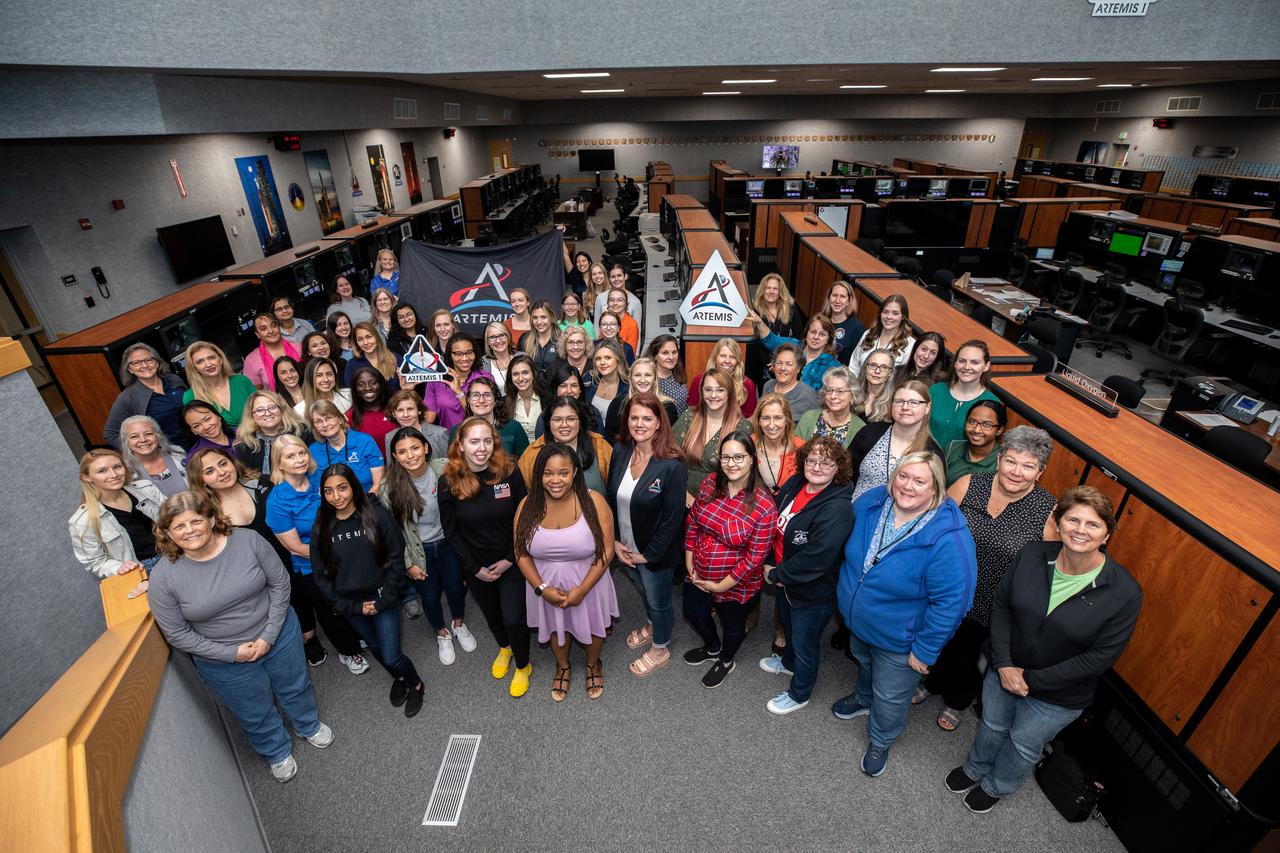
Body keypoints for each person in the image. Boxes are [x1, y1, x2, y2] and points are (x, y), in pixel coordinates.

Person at [948, 486, 1142, 814]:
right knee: (992, 725)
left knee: (1023, 744)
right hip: (1004, 670)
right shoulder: (1032, 553)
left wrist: (1031, 681)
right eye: (1073, 520)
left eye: (1093, 524)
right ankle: (975, 768)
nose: (1080, 530)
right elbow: (1001, 607)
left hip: (1059, 695)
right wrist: (1006, 666)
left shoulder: (1125, 593)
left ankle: (998, 785)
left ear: (1108, 533)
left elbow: (1099, 658)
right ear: (1059, 522)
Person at [149, 490, 333, 783]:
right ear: (168, 532)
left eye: (195, 521)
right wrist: (232, 654)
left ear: (211, 518)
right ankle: (276, 750)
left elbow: (280, 585)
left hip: (277, 633)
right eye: (179, 526)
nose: (189, 531)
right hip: (221, 659)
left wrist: (268, 636)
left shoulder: (248, 541)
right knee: (253, 710)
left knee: (296, 685)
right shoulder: (163, 577)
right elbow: (177, 633)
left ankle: (307, 724)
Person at [832, 452, 977, 778]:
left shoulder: (950, 539)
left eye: (920, 481)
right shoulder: (872, 501)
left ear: (936, 488)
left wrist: (924, 651)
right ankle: (862, 697)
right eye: (903, 476)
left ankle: (881, 739)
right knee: (864, 663)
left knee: (891, 695)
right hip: (859, 622)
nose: (908, 486)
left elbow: (952, 604)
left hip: (901, 641)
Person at [922, 426, 1057, 732]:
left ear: (1040, 472)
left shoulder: (1048, 511)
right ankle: (931, 684)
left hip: (997, 603)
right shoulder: (970, 484)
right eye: (1011, 461)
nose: (1017, 472)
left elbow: (1047, 570)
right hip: (951, 588)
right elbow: (935, 526)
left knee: (972, 655)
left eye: (1028, 466)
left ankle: (958, 700)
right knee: (942, 639)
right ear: (998, 460)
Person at [311, 464, 425, 717]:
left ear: (353, 486)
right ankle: (402, 680)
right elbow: (321, 577)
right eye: (328, 491)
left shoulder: (376, 515)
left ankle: (415, 683)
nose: (336, 496)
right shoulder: (321, 526)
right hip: (351, 604)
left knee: (392, 655)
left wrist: (385, 599)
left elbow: (396, 557)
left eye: (342, 488)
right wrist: (351, 607)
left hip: (382, 597)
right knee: (375, 647)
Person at [515, 443, 620, 701]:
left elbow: (606, 551)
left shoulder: (594, 501)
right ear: (539, 475)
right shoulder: (527, 505)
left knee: (594, 628)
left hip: (590, 582)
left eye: (563, 473)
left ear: (575, 472)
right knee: (554, 629)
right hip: (545, 586)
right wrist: (541, 589)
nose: (555, 480)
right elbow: (521, 553)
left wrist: (582, 590)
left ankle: (593, 663)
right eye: (548, 473)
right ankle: (563, 667)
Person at [759, 436, 855, 713]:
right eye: (811, 460)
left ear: (839, 467)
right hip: (785, 580)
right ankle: (788, 664)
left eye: (825, 462)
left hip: (812, 591)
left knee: (805, 643)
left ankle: (800, 693)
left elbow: (817, 558)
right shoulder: (796, 483)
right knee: (789, 628)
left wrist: (777, 574)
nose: (816, 466)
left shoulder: (838, 508)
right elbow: (774, 520)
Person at [439, 417, 533, 697]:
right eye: (474, 441)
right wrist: (474, 568)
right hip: (476, 565)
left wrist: (510, 559)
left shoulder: (509, 472)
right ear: (461, 445)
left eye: (487, 441)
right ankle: (505, 647)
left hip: (512, 560)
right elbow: (451, 532)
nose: (482, 448)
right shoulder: (448, 482)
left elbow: (525, 518)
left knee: (514, 617)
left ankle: (523, 664)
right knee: (493, 615)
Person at [264, 434, 369, 673]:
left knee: (352, 600)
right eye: (290, 456)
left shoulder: (319, 480)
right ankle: (348, 652)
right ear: (279, 463)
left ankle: (357, 637)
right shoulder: (277, 501)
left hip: (342, 553)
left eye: (302, 452)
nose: (299, 459)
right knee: (330, 611)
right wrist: (334, 557)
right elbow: (294, 546)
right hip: (313, 566)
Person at [683, 432, 778, 689]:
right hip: (698, 570)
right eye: (726, 457)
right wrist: (689, 560)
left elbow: (754, 558)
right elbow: (693, 521)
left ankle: (726, 659)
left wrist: (720, 586)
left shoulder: (764, 506)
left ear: (751, 459)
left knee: (732, 625)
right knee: (692, 611)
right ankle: (713, 647)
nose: (731, 463)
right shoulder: (710, 483)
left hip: (736, 583)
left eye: (739, 457)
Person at [606, 393, 687, 677]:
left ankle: (660, 646)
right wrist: (614, 541)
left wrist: (648, 554)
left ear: (658, 424)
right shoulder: (620, 451)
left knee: (659, 600)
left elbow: (673, 518)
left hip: (655, 554)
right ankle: (654, 625)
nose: (639, 424)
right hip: (625, 548)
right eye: (634, 417)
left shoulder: (672, 464)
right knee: (643, 593)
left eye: (647, 418)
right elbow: (610, 500)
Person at [381, 427, 477, 665]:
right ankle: (441, 633)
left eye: (415, 447)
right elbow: (392, 532)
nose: (410, 455)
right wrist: (407, 564)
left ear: (425, 448)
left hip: (448, 543)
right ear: (394, 456)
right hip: (418, 552)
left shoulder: (445, 468)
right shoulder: (389, 487)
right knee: (430, 595)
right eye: (402, 451)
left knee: (455, 587)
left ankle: (458, 623)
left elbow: (464, 506)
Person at [69, 449, 165, 593]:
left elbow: (176, 518)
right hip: (141, 573)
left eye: (117, 467)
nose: (114, 475)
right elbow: (95, 562)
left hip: (174, 556)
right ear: (87, 477)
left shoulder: (147, 489)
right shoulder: (83, 521)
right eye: (102, 471)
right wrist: (117, 567)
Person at [187, 446, 288, 574]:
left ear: (232, 462)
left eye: (223, 464)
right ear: (202, 481)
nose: (221, 472)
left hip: (294, 561)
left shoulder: (263, 484)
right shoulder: (208, 515)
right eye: (210, 471)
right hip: (256, 574)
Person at [850, 379, 943, 501]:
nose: (905, 407)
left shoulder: (932, 452)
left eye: (913, 402)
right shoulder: (870, 432)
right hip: (856, 512)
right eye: (899, 401)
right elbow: (845, 472)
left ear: (927, 407)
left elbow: (932, 498)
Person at [673, 368, 751, 503]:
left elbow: (743, 474)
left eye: (720, 390)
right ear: (701, 392)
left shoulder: (742, 427)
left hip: (718, 503)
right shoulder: (690, 416)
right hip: (680, 495)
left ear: (730, 393)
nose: (713, 395)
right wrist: (681, 492)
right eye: (708, 390)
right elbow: (670, 454)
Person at [103, 342, 188, 449]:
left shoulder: (174, 379)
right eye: (136, 363)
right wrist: (142, 450)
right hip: (169, 454)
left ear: (157, 362)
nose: (144, 365)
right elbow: (110, 434)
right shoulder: (127, 398)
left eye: (148, 360)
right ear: (130, 369)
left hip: (199, 441)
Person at [521, 396, 612, 492]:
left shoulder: (600, 446)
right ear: (549, 423)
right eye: (557, 420)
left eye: (571, 419)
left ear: (580, 421)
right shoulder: (533, 453)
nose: (564, 425)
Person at [929, 340, 1001, 450]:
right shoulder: (935, 390)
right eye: (962, 361)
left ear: (986, 366)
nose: (967, 367)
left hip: (961, 465)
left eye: (975, 362)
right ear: (955, 363)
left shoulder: (991, 403)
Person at [307, 400, 385, 494]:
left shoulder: (364, 441)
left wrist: (367, 503)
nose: (325, 424)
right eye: (318, 421)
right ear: (314, 427)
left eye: (329, 418)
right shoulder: (313, 450)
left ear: (340, 419)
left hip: (367, 500)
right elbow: (315, 487)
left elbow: (377, 484)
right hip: (331, 505)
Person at [753, 314, 841, 392]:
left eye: (822, 334)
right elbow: (770, 340)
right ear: (806, 334)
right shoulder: (793, 346)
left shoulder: (833, 365)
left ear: (828, 340)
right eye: (813, 332)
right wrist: (759, 322)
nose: (816, 337)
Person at [422, 333, 493, 430]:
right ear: (449, 355)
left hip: (479, 437)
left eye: (469, 352)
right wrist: (408, 391)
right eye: (458, 354)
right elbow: (429, 419)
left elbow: (482, 416)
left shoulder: (485, 378)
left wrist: (459, 393)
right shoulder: (437, 380)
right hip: (448, 441)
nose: (465, 358)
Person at [233, 390, 312, 477]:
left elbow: (314, 464)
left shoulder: (302, 431)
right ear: (251, 415)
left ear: (281, 409)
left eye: (272, 407)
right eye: (260, 410)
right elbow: (248, 477)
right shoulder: (245, 445)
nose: (267, 413)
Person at [603, 356, 678, 443]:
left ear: (654, 379)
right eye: (637, 375)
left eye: (648, 375)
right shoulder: (619, 403)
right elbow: (610, 438)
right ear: (631, 378)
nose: (642, 380)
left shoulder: (667, 407)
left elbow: (669, 440)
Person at [748, 273, 807, 384]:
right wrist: (771, 362)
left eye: (775, 289)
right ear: (762, 290)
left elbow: (798, 338)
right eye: (768, 288)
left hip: (786, 364)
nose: (771, 291)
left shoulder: (791, 310)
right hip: (761, 364)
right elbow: (755, 343)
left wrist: (780, 362)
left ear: (780, 292)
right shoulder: (754, 311)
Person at [181, 341, 256, 427]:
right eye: (200, 362)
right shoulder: (190, 396)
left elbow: (260, 410)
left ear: (221, 360)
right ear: (194, 368)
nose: (208, 364)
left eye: (212, 358)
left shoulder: (241, 381)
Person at [457, 375, 529, 458]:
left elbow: (526, 464)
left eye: (487, 395)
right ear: (468, 400)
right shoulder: (458, 431)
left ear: (495, 401)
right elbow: (454, 465)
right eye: (476, 395)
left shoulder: (514, 428)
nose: (481, 400)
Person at [119, 414, 188, 497]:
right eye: (134, 436)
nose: (143, 440)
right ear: (127, 442)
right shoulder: (125, 472)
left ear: (158, 436)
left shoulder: (178, 453)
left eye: (148, 434)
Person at [796, 365, 864, 448]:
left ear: (852, 396)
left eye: (840, 391)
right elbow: (794, 452)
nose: (833, 396)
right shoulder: (809, 417)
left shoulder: (860, 429)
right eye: (829, 390)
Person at [687, 338, 758, 417]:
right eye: (723, 356)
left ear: (737, 361)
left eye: (732, 357)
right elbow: (692, 412)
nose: (727, 361)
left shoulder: (747, 384)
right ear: (715, 358)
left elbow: (751, 418)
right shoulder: (699, 380)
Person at [945, 399, 1007, 486]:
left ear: (999, 430)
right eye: (972, 422)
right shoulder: (952, 447)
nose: (976, 430)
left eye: (986, 425)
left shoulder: (1003, 460)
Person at [752, 393, 805, 494]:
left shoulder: (801, 448)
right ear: (758, 421)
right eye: (765, 418)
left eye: (778, 418)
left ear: (786, 420)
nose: (771, 425)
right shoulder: (748, 445)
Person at [848, 295, 914, 375]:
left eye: (895, 313)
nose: (889, 317)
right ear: (880, 314)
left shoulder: (910, 344)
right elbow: (853, 368)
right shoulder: (869, 334)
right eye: (885, 312)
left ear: (903, 317)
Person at [535, 363, 602, 437]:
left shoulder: (593, 413)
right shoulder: (546, 416)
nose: (569, 391)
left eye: (574, 385)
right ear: (556, 390)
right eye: (563, 386)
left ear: (580, 389)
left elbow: (601, 444)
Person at [384, 388, 450, 460]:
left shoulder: (439, 433)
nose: (406, 415)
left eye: (410, 409)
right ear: (394, 414)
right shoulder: (390, 437)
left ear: (419, 410)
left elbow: (449, 465)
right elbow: (392, 468)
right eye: (400, 410)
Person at [241, 313, 302, 391]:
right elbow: (257, 392)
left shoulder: (298, 347)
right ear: (257, 334)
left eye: (274, 325)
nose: (270, 331)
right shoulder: (251, 360)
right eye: (263, 329)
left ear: (279, 327)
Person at [760, 343, 818, 421]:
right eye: (779, 363)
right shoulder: (768, 386)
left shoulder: (809, 396)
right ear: (773, 366)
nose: (783, 368)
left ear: (798, 369)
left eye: (789, 364)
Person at [346, 366, 398, 451]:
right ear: (355, 389)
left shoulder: (396, 408)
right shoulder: (349, 417)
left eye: (373, 383)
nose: (368, 388)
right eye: (361, 385)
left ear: (381, 384)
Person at [588, 339, 628, 441]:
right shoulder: (588, 381)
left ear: (618, 359)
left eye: (608, 358)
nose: (602, 362)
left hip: (615, 443)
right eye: (598, 359)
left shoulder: (628, 387)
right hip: (590, 441)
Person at [344, 321, 401, 392]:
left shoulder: (395, 358)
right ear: (356, 343)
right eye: (360, 339)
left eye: (368, 337)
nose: (365, 342)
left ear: (376, 337)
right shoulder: (352, 365)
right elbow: (352, 394)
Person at [503, 354, 544, 443]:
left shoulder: (547, 399)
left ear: (533, 374)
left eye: (525, 373)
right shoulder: (505, 402)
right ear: (511, 378)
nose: (520, 378)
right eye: (515, 374)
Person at [518, 300, 559, 387]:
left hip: (556, 391)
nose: (539, 322)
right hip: (532, 390)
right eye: (535, 318)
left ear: (551, 318)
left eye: (543, 317)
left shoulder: (561, 339)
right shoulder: (524, 339)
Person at [645, 335, 688, 416]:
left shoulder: (678, 375)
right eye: (665, 353)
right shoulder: (647, 380)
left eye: (674, 352)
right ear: (655, 356)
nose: (671, 357)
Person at [822, 280, 866, 360]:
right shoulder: (820, 321)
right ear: (829, 298)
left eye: (842, 296)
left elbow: (858, 359)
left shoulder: (857, 327)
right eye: (834, 295)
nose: (837, 300)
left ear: (849, 301)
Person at [553, 325, 596, 399]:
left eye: (580, 342)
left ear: (586, 344)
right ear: (564, 345)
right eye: (570, 342)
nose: (575, 347)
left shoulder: (595, 365)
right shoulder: (556, 367)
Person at [597, 289, 640, 353]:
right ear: (607, 303)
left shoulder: (632, 324)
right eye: (611, 300)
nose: (615, 303)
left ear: (626, 303)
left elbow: (630, 352)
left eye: (620, 300)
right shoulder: (605, 320)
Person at [482, 322, 515, 396]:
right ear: (487, 342)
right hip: (497, 407)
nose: (498, 341)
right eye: (493, 337)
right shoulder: (482, 363)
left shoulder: (521, 357)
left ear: (508, 337)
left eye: (501, 335)